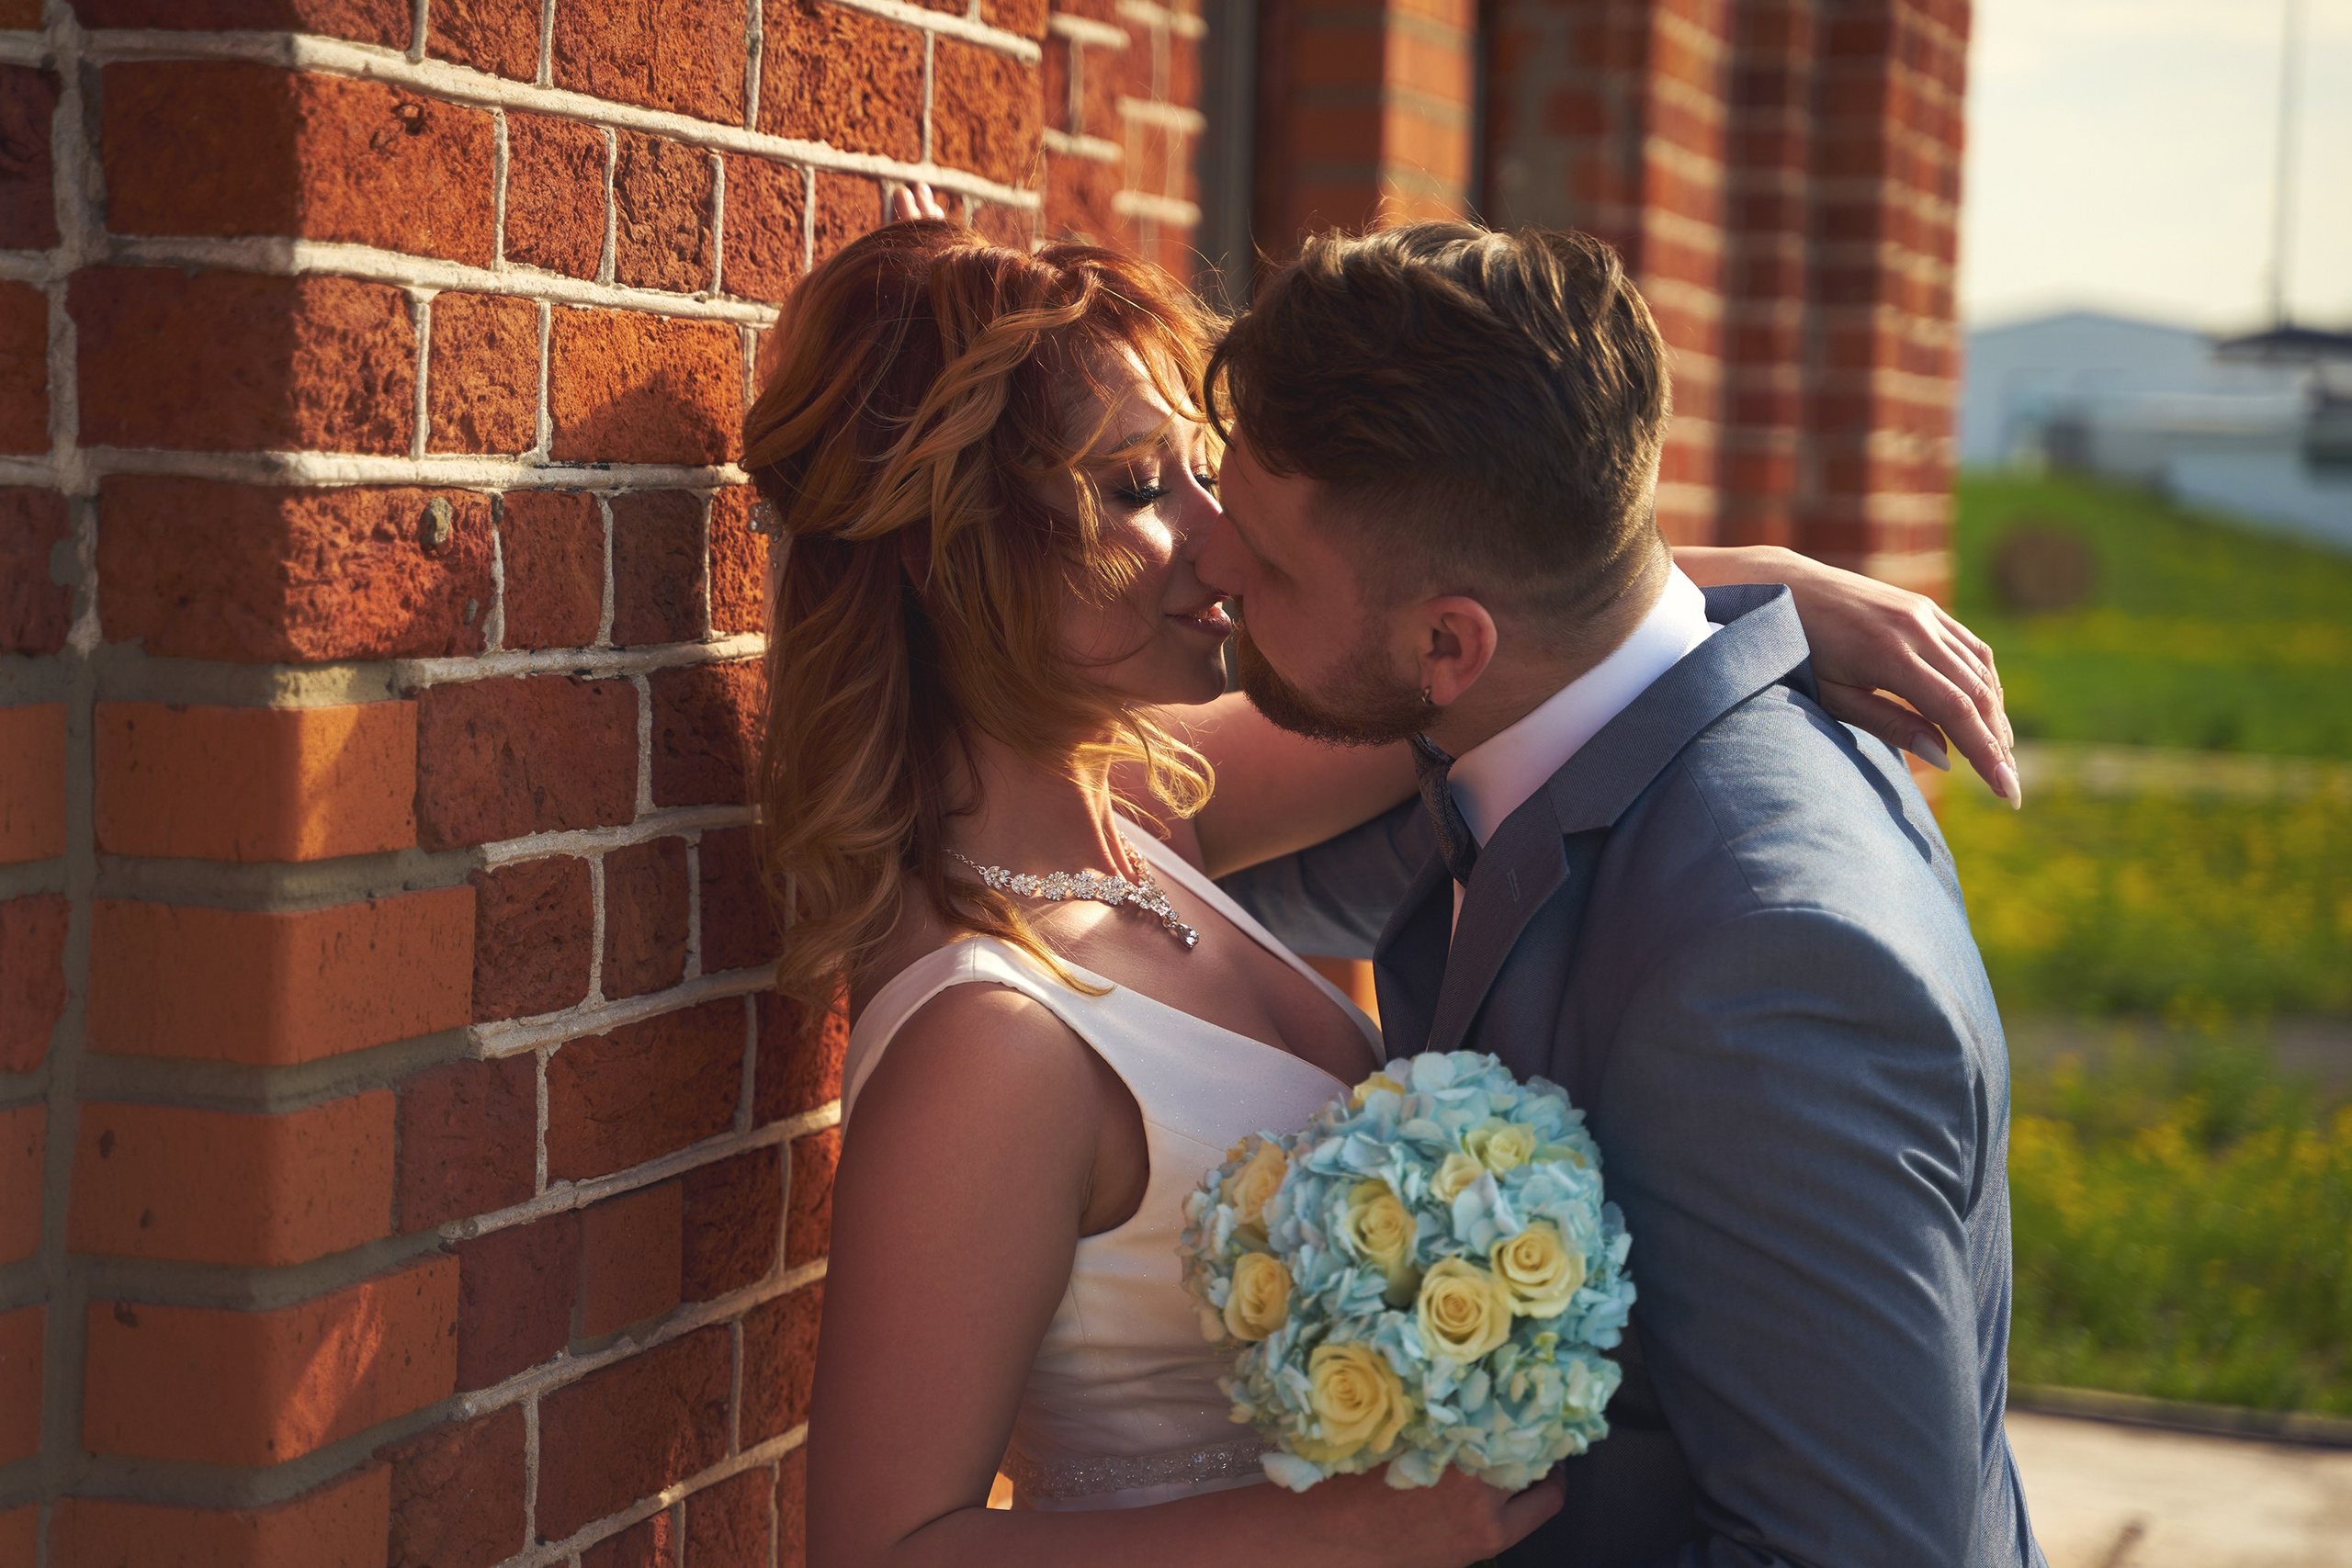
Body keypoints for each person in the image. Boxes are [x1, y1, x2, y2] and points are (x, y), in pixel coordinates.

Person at [743, 186, 2022, 1567]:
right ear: (954, 558)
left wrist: (1747, 595)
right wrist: (1344, 1534)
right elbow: (879, 1550)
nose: (1214, 542)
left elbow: (1509, 640)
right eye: (1133, 490)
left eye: (1194, 468)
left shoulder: (1151, 822)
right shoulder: (985, 1037)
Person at [1203, 226, 2044, 1567]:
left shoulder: (1766, 955)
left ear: (1447, 642)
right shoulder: (1550, 736)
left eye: (1267, 566)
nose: (1212, 571)